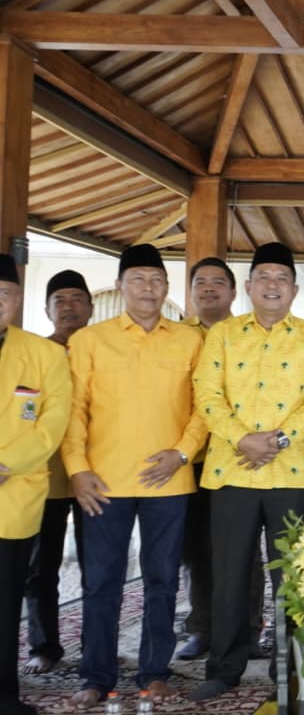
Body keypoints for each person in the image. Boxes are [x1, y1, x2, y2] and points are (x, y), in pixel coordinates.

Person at [62, 244, 207, 708]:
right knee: (100, 582)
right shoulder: (89, 340)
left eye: (157, 280)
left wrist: (183, 454)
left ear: (167, 288)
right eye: (139, 279)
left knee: (163, 579)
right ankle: (95, 676)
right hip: (102, 482)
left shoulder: (190, 340)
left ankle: (155, 671)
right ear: (121, 286)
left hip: (171, 481)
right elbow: (73, 410)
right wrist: (77, 470)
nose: (149, 288)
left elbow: (205, 408)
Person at [188, 242, 304, 702]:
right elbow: (206, 394)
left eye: (282, 278)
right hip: (232, 471)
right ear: (248, 287)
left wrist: (279, 440)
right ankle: (225, 666)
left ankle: (287, 666)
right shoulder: (223, 335)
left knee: (291, 575)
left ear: (292, 289)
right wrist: (241, 438)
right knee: (229, 572)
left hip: (291, 471)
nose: (272, 285)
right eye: (263, 277)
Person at [177, 257, 267, 663]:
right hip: (188, 460)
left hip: (238, 458)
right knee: (198, 549)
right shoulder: (174, 337)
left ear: (235, 291)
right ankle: (201, 627)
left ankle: (249, 628)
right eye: (201, 282)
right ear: (191, 289)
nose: (209, 289)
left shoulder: (248, 334)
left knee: (242, 550)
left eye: (218, 282)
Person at [0, 254, 72, 715]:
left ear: (18, 299)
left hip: (14, 493)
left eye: (4, 294)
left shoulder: (44, 354)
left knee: (7, 601)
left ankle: (5, 695)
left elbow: (54, 423)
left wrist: (5, 462)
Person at [22, 270, 90, 675]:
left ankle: (96, 644)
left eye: (76, 299)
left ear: (91, 307)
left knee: (98, 564)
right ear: (47, 308)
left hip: (93, 475)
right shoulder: (32, 353)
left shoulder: (101, 349)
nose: (68, 307)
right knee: (39, 568)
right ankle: (44, 645)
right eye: (60, 300)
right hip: (42, 477)